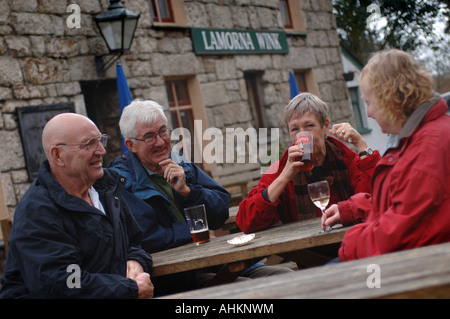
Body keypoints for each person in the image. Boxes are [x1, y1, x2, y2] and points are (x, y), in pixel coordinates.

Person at [109, 99, 293, 296]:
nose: (161, 142)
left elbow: (221, 210)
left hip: (214, 262)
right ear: (131, 145)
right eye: (149, 137)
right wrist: (194, 231)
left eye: (163, 131)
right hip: (175, 279)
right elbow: (147, 237)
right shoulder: (120, 182)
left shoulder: (180, 163)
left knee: (288, 277)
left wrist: (187, 192)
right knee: (255, 292)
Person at [0, 113, 154, 299]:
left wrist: (135, 260)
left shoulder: (106, 189)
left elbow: (133, 242)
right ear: (58, 155)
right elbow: (63, 282)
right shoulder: (37, 212)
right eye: (89, 143)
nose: (101, 151)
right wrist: (128, 289)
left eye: (101, 140)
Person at [322, 49, 450, 261]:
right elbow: (405, 202)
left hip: (418, 272)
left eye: (369, 102)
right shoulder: (421, 136)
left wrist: (349, 244)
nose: (369, 113)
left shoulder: (427, 148)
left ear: (389, 98)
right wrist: (352, 209)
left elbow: (401, 232)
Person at [236, 92, 381, 234]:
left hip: (350, 240)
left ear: (324, 127)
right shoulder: (282, 168)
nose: (303, 134)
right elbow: (246, 221)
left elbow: (377, 199)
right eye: (295, 129)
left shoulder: (345, 159)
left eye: (309, 126)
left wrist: (361, 145)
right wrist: (284, 177)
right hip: (306, 251)